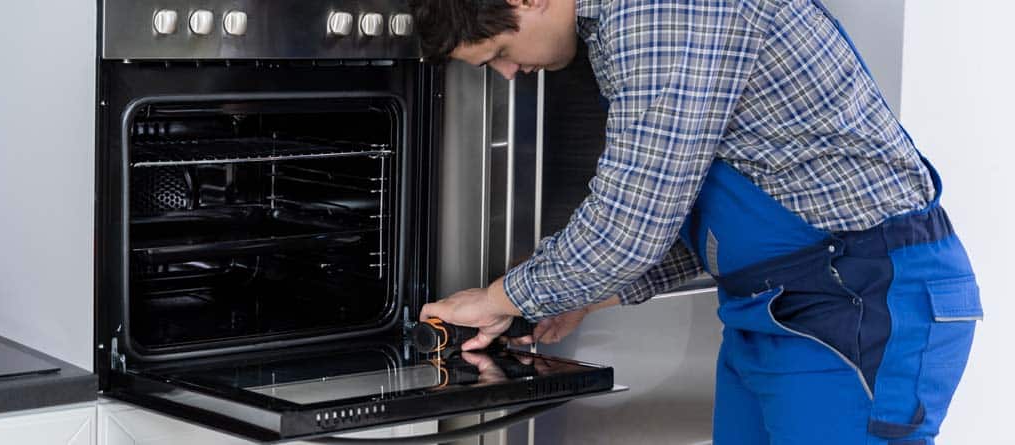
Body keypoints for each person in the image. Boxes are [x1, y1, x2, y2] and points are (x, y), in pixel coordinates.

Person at [409, 0, 982, 443]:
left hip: (861, 306)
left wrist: (498, 298)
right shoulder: (616, 30)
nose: (509, 73)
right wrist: (591, 295)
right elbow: (709, 213)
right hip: (777, 307)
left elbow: (627, 227)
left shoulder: (664, 10)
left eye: (498, 52)